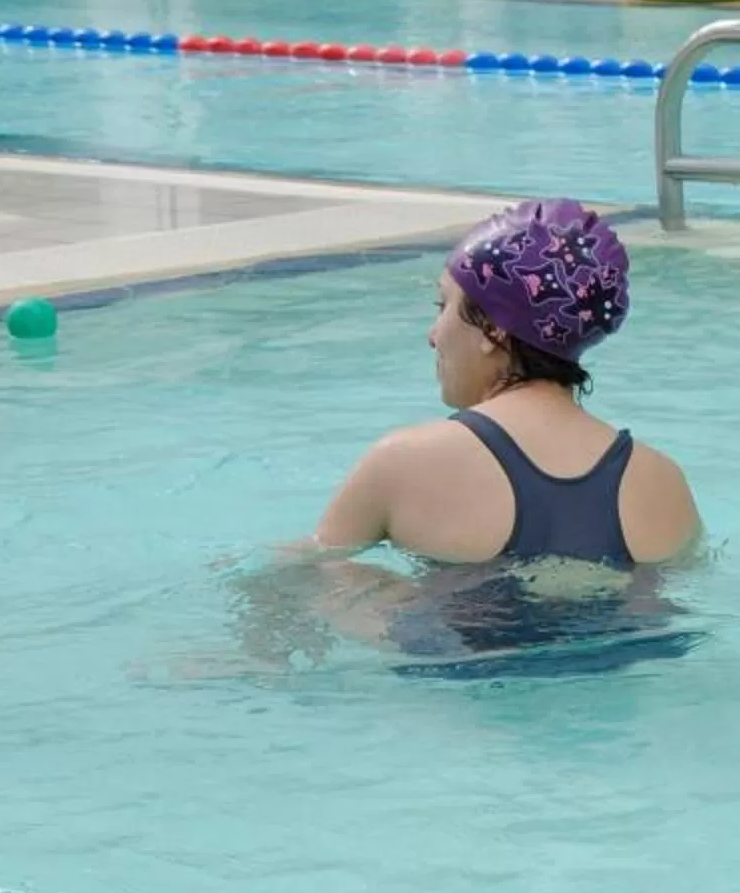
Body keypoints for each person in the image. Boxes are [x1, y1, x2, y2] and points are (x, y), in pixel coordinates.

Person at [278, 199, 701, 667]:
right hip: (618, 679)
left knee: (331, 575)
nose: (433, 335)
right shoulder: (661, 479)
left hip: (457, 687)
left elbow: (292, 581)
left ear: (493, 331)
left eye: (443, 306)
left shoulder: (405, 460)